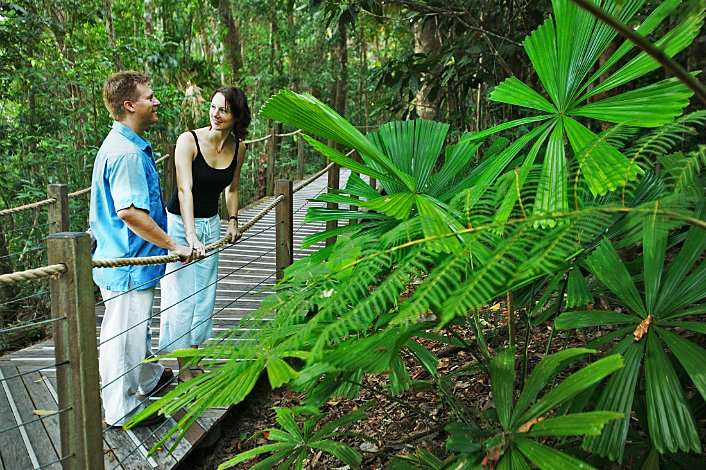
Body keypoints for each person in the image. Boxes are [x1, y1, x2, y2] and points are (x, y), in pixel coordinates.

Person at [89, 71, 196, 429]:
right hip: (128, 263)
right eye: (150, 97)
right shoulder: (126, 154)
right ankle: (121, 410)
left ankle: (148, 379)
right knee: (123, 336)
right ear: (130, 104)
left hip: (125, 259)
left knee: (133, 329)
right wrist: (174, 246)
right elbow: (130, 213)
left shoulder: (126, 144)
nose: (156, 102)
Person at [159, 86, 249, 382]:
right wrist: (190, 236)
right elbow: (184, 190)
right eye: (213, 107)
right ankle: (182, 363)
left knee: (204, 294)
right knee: (182, 295)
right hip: (180, 223)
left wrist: (232, 221)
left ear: (236, 116)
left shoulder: (239, 147)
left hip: (211, 223)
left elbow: (231, 189)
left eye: (223, 109)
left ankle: (194, 356)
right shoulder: (189, 141)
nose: (215, 114)